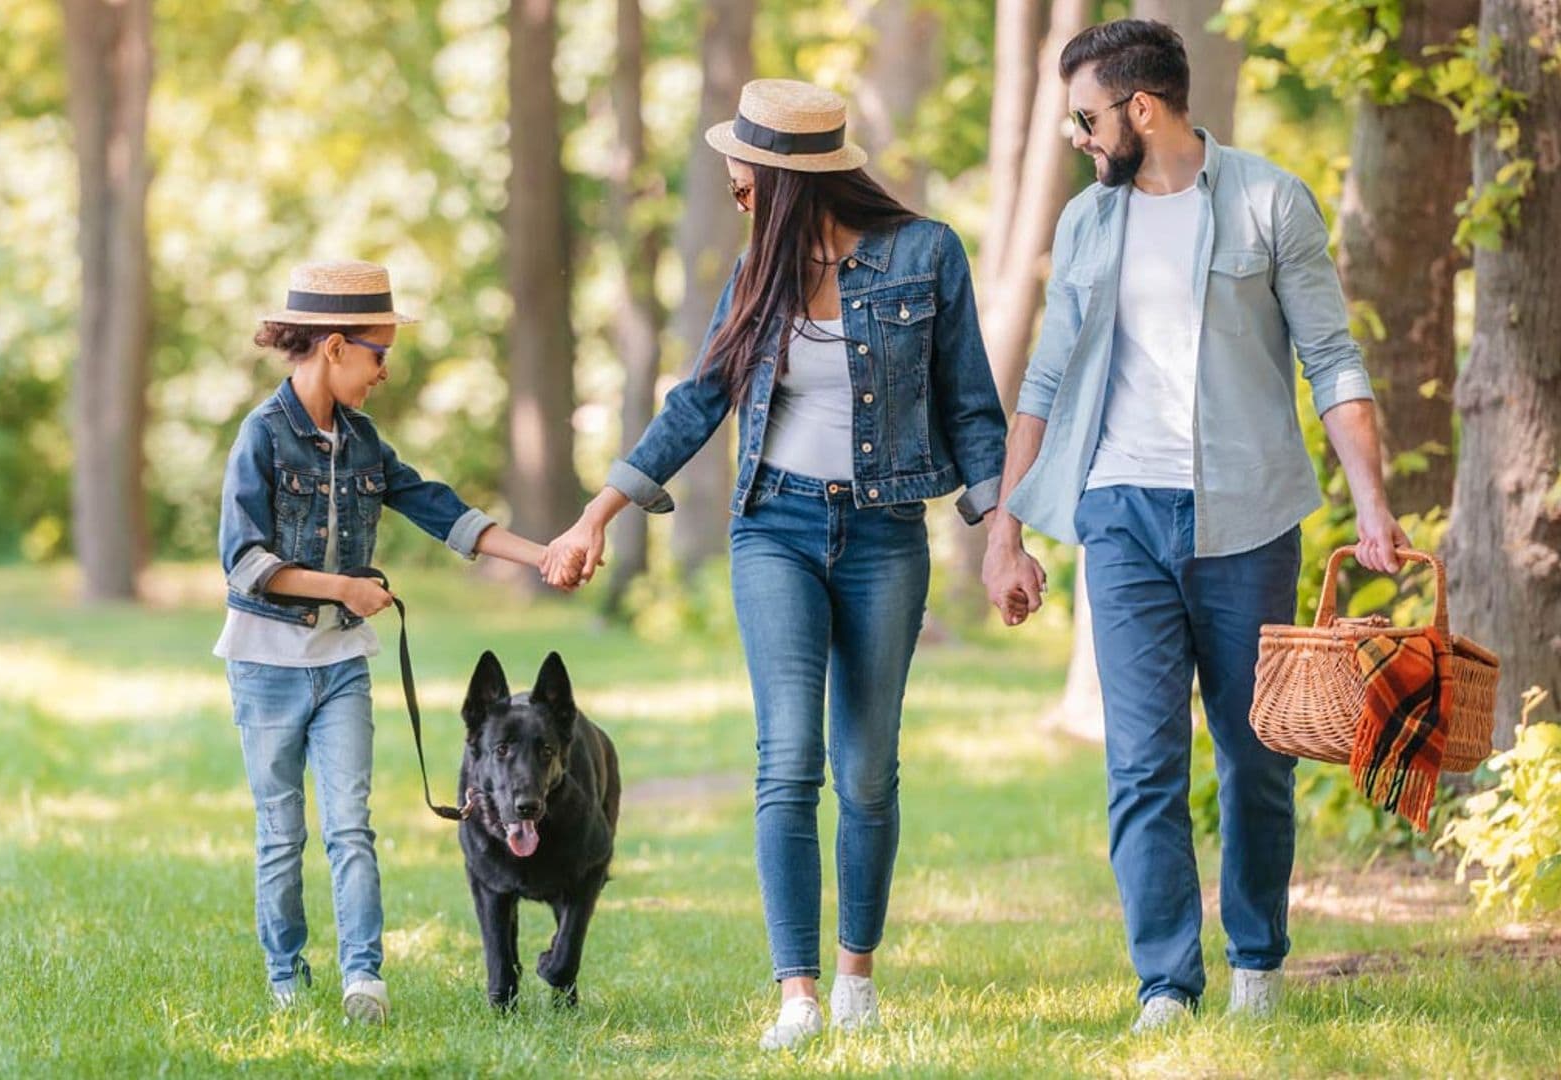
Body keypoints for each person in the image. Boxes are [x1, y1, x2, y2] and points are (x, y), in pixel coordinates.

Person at [543, 79, 1008, 1049]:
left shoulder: (926, 255)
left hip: (885, 535)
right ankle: (797, 995)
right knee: (788, 759)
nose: (735, 190)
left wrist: (1001, 532)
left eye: (745, 178)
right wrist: (598, 513)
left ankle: (855, 981)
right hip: (776, 530)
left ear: (791, 180)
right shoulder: (758, 270)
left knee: (868, 772)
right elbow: (697, 401)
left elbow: (971, 408)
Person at [980, 20, 1408, 1031]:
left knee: (1256, 755)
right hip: (1119, 513)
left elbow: (1333, 362)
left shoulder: (1268, 200)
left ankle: (1257, 959)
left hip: (1248, 515)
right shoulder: (1089, 225)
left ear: (1143, 108)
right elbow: (1044, 380)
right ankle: (1166, 984)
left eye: (1085, 117)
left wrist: (1375, 504)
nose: (1076, 137)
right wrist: (1008, 526)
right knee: (1140, 762)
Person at [216, 260, 563, 1023]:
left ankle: (362, 979)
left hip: (340, 665)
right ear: (335, 346)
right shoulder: (262, 438)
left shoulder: (366, 444)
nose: (383, 372)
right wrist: (344, 588)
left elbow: (444, 512)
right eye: (379, 354)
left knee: (351, 826)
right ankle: (285, 977)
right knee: (281, 834)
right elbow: (243, 564)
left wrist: (540, 555)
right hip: (266, 665)